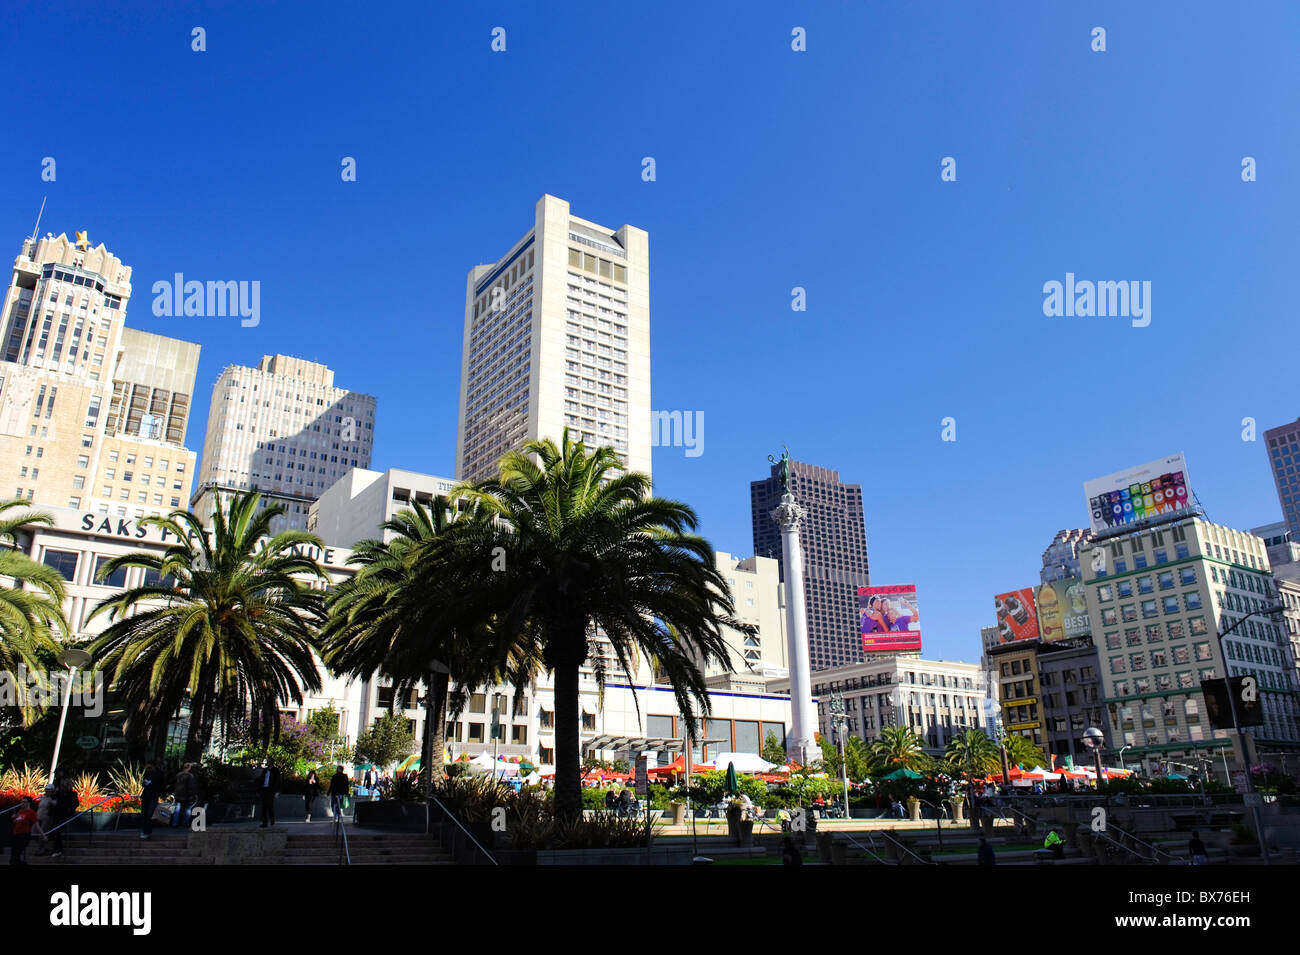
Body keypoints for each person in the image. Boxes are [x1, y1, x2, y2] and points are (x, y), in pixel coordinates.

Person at [9, 797, 43, 865]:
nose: (22, 803)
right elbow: (16, 822)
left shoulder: (32, 813)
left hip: (24, 835)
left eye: (24, 802)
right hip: (16, 834)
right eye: (22, 802)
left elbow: (37, 825)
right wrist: (14, 818)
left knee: (16, 852)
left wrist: (43, 835)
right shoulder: (20, 811)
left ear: (29, 803)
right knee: (14, 853)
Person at [140, 761, 165, 839]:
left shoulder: (159, 774)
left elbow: (162, 784)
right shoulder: (147, 773)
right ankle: (145, 830)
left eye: (150, 767)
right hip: (146, 795)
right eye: (147, 768)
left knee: (149, 814)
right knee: (144, 814)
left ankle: (146, 831)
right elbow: (143, 783)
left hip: (153, 795)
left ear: (154, 766)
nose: (148, 769)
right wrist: (145, 783)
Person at [172, 762, 198, 828]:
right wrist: (192, 794)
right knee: (187, 809)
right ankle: (185, 823)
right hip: (186, 795)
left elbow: (174, 784)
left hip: (178, 794)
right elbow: (191, 786)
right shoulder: (190, 776)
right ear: (189, 768)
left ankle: (174, 823)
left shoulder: (178, 775)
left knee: (177, 809)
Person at [37, 784, 59, 857]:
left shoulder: (52, 798)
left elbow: (55, 805)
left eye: (48, 790)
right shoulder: (43, 797)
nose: (47, 791)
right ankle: (41, 848)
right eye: (46, 790)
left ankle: (42, 849)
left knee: (43, 833)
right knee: (37, 833)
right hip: (39, 817)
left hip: (47, 817)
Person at [257, 760, 280, 828]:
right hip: (265, 789)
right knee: (264, 806)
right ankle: (265, 822)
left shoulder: (275, 770)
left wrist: (277, 791)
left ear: (272, 763)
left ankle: (272, 819)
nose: (268, 763)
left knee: (269, 805)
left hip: (271, 790)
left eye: (269, 762)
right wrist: (260, 789)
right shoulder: (265, 770)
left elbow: (277, 781)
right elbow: (262, 779)